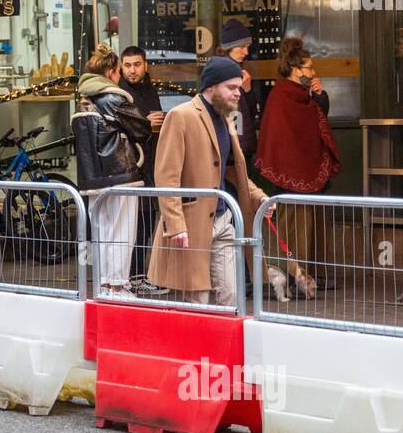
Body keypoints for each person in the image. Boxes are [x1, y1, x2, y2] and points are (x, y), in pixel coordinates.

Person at [151, 56, 269, 308]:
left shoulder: (227, 117)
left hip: (223, 219)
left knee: (231, 296)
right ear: (211, 86)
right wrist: (175, 223)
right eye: (232, 87)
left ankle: (221, 347)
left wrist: (259, 195)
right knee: (198, 300)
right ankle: (194, 348)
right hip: (192, 224)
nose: (238, 93)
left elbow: (232, 171)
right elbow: (166, 176)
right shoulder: (180, 115)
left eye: (238, 87)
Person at [254, 37, 341, 275]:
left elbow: (314, 123)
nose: (313, 72)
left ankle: (311, 273)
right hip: (290, 174)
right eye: (309, 67)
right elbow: (284, 137)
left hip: (310, 167)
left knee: (312, 225)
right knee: (294, 226)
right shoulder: (282, 95)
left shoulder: (306, 96)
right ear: (295, 70)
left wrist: (320, 97)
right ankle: (292, 273)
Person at [74, 46, 154, 298]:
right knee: (122, 231)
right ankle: (119, 286)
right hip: (120, 175)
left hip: (92, 178)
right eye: (119, 71)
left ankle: (104, 285)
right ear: (111, 73)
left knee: (102, 232)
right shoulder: (113, 98)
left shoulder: (84, 99)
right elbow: (142, 129)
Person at [116, 46, 166, 293]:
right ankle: (133, 277)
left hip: (150, 164)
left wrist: (159, 119)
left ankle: (138, 275)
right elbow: (122, 127)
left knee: (146, 222)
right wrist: (147, 122)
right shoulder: (120, 93)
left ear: (145, 65)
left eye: (136, 64)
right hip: (131, 166)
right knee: (135, 224)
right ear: (120, 67)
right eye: (127, 65)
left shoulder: (149, 89)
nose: (132, 70)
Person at [217, 20, 261, 164]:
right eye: (242, 47)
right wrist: (237, 149)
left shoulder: (238, 70)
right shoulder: (221, 72)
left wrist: (247, 90)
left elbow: (250, 111)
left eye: (247, 47)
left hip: (238, 147)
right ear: (229, 47)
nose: (246, 52)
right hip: (231, 151)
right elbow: (232, 114)